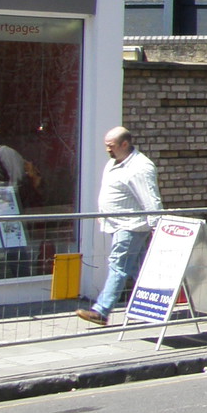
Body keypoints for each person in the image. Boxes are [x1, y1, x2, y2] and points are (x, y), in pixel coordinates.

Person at [77, 127, 163, 326]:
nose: (107, 150)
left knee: (118, 265)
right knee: (136, 268)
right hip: (116, 223)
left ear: (124, 144)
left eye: (111, 146)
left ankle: (101, 311)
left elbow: (150, 200)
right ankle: (154, 303)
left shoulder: (140, 167)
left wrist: (156, 225)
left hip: (131, 225)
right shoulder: (113, 163)